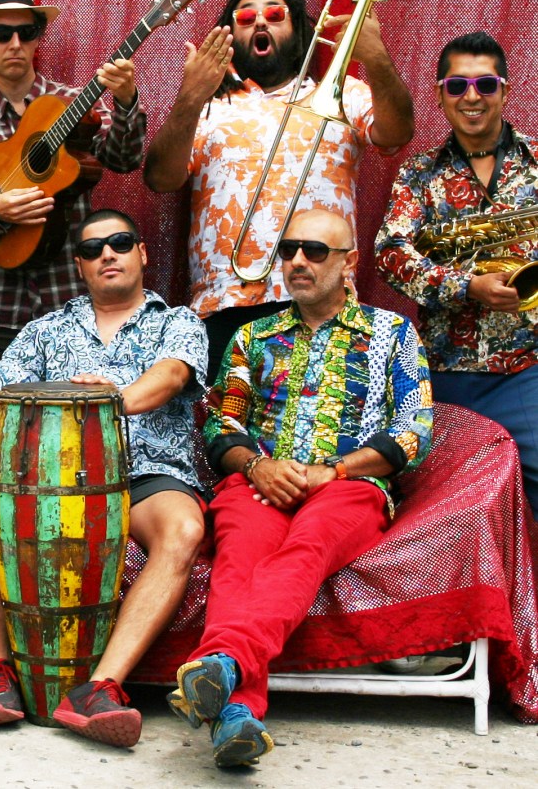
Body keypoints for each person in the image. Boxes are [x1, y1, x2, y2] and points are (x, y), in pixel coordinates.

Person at [0, 209, 208, 747]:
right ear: (79, 265)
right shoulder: (45, 330)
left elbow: (171, 376)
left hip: (145, 475)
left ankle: (98, 689)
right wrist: (9, 455)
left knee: (185, 530)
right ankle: (0, 673)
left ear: (142, 252)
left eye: (120, 242)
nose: (108, 254)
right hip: (49, 482)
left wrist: (105, 404)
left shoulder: (178, 322)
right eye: (93, 249)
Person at [168, 207, 432, 767]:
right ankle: (237, 715)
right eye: (288, 251)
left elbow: (414, 430)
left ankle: (226, 662)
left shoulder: (392, 333)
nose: (297, 262)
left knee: (306, 547)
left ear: (349, 262)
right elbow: (221, 423)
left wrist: (333, 470)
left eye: (314, 251)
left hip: (350, 484)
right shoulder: (252, 335)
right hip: (262, 482)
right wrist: (255, 466)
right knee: (239, 560)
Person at [143, 0, 414, 379]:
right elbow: (161, 179)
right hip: (224, 305)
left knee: (319, 415)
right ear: (229, 35)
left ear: (298, 29)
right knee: (225, 419)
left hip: (320, 299)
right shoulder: (207, 107)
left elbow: (397, 134)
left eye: (274, 14)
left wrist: (376, 59)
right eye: (246, 17)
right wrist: (190, 96)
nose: (260, 22)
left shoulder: (344, 93)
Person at [0, 0, 146, 409]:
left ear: (38, 38)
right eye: (0, 33)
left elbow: (123, 158)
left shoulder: (74, 105)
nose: (15, 44)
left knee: (73, 428)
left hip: (69, 305)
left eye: (26, 32)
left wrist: (125, 101)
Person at [375, 31, 538, 518]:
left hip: (528, 367)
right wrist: (467, 286)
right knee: (445, 507)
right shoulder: (418, 174)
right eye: (457, 85)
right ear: (440, 94)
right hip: (447, 371)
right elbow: (390, 254)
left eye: (485, 84)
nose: (472, 96)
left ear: (505, 90)